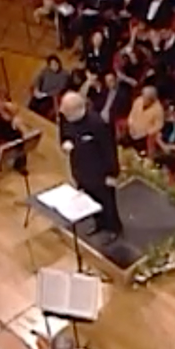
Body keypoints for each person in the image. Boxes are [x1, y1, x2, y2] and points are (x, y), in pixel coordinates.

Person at [59, 91, 123, 242]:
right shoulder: (66, 118)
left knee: (107, 202)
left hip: (100, 172)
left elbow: (109, 149)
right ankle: (99, 223)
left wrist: (112, 174)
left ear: (77, 110)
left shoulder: (98, 123)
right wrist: (65, 142)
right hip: (80, 169)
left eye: (67, 112)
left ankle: (113, 228)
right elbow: (63, 133)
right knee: (90, 200)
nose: (65, 116)